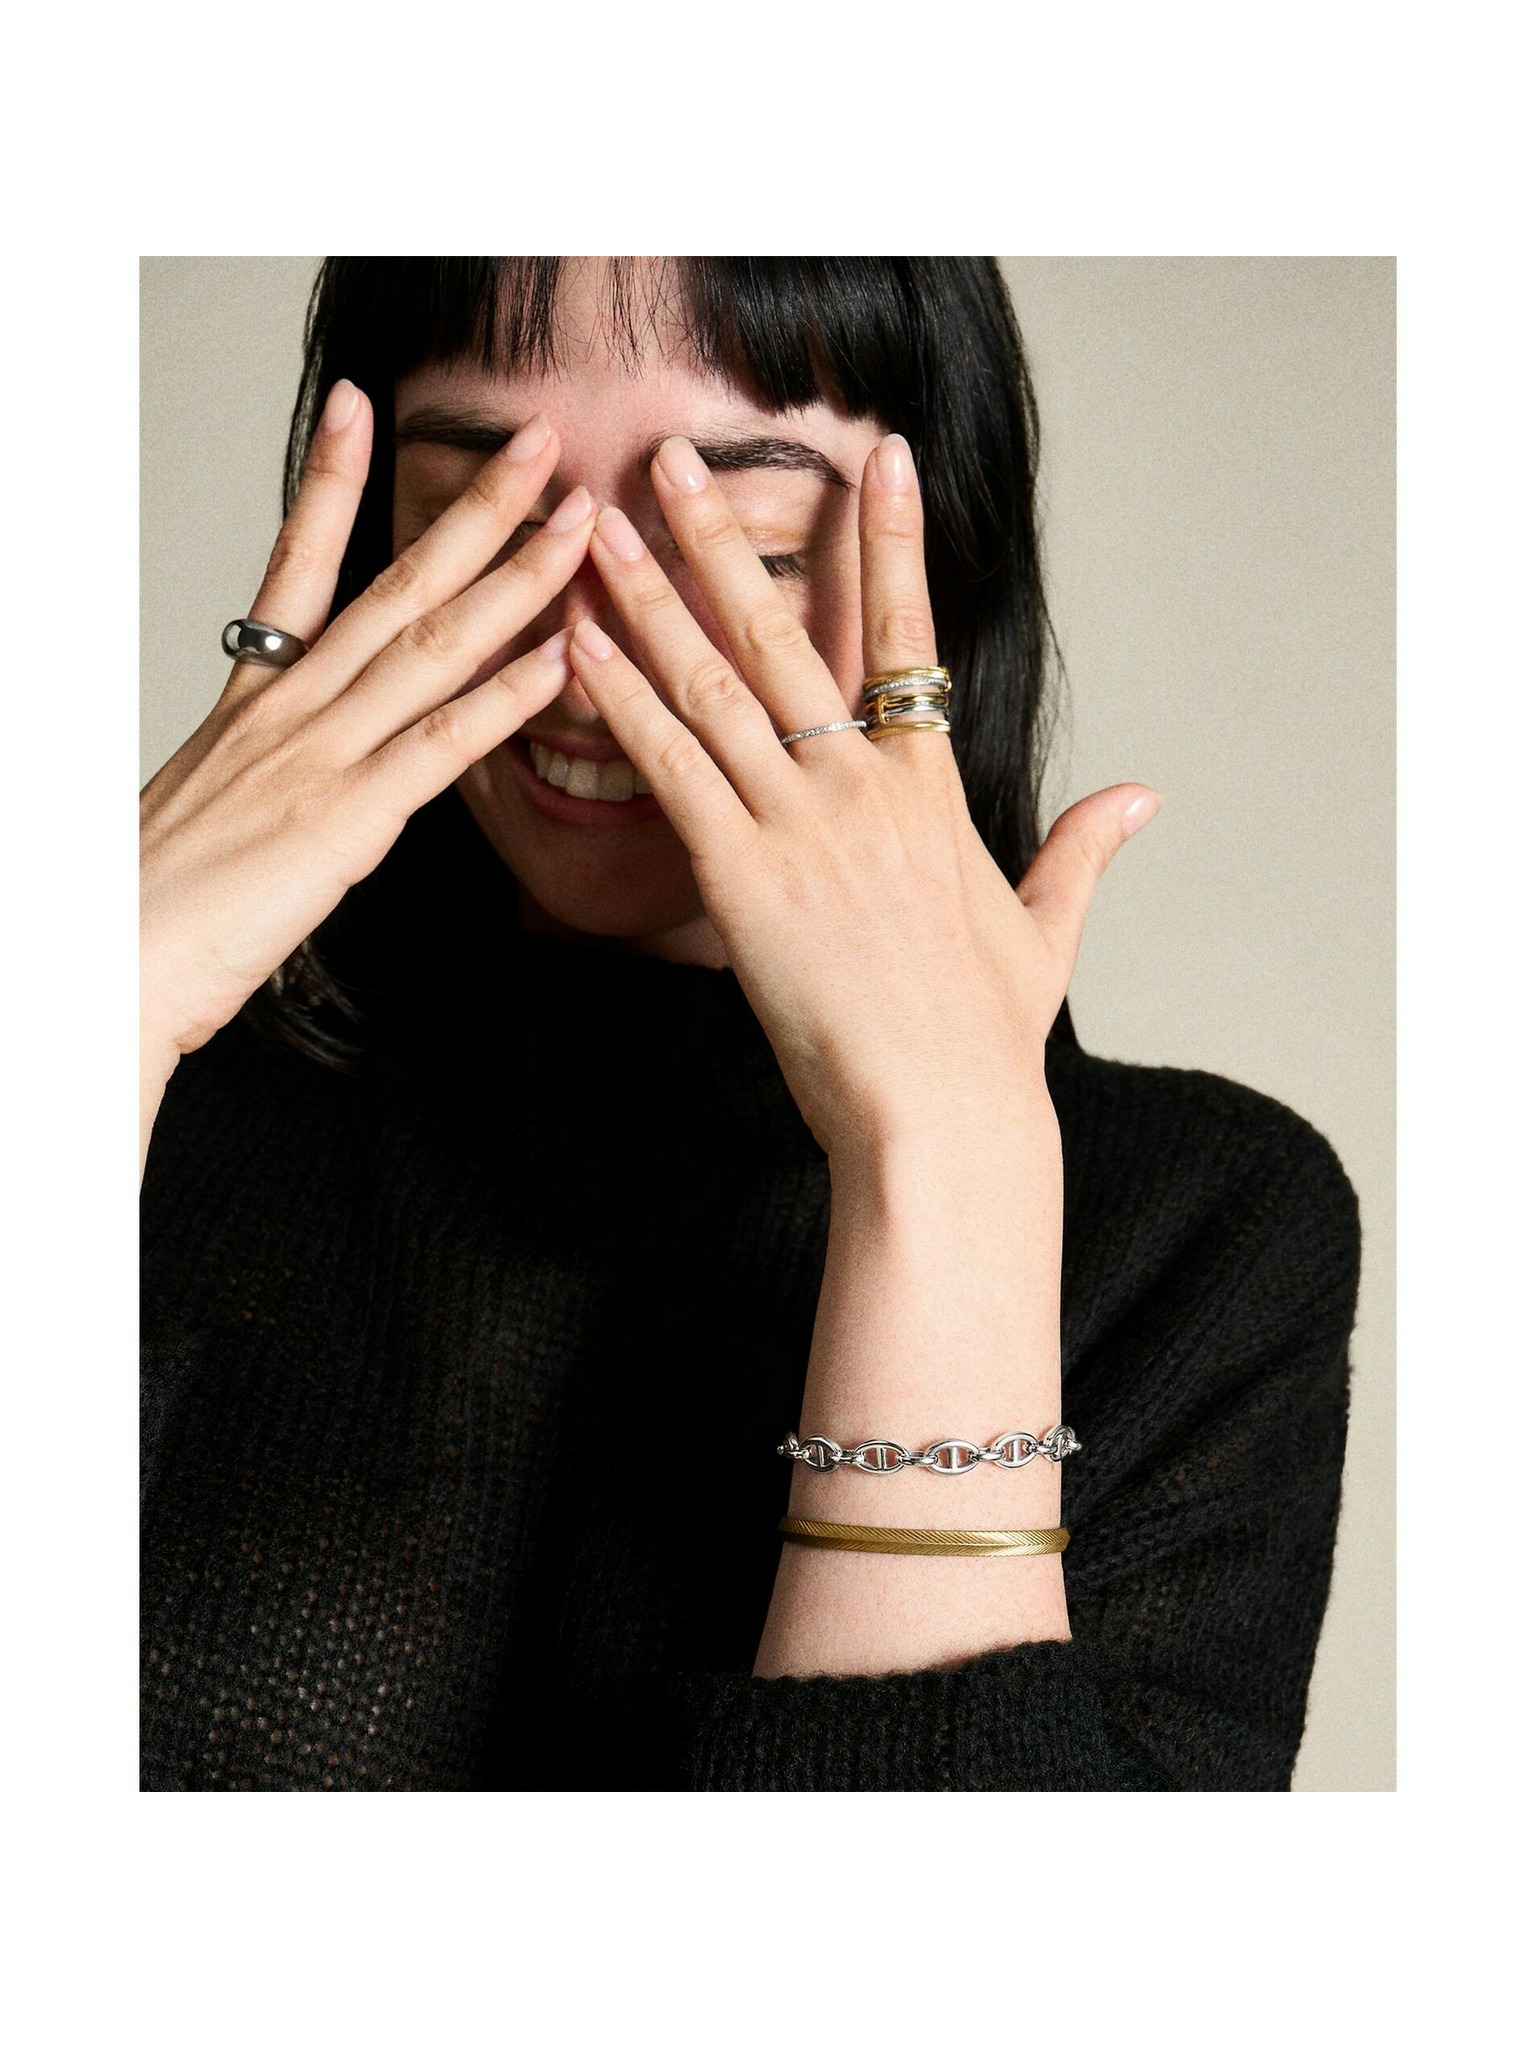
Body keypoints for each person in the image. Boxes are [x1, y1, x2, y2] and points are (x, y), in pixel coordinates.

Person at [140, 258, 1360, 1792]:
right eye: (484, 527)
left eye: (747, 549)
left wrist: (947, 1160)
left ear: (950, 571)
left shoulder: (1202, 1226)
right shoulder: (170, 1086)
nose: (590, 655)